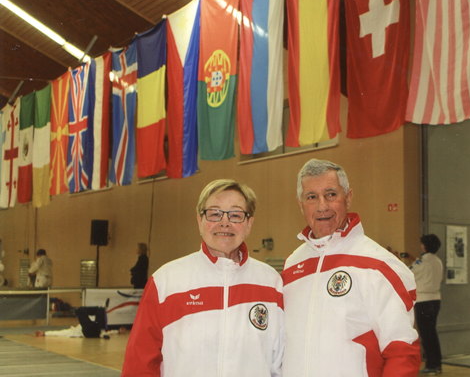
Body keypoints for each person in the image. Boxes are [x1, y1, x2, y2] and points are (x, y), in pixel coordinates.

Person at [122, 179, 284, 376]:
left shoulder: (271, 282)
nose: (224, 222)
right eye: (214, 213)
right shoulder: (166, 281)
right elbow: (139, 364)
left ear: (249, 223)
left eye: (235, 215)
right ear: (200, 221)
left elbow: (280, 363)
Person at [281, 159, 420, 377]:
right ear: (301, 205)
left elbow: (402, 352)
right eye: (311, 197)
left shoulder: (380, 265)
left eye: (331, 194)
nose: (322, 206)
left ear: (349, 197)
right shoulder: (292, 265)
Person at [411, 234, 443, 374]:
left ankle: (432, 365)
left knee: (426, 334)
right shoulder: (437, 261)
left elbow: (410, 273)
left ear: (425, 245)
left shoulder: (422, 261)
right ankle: (437, 364)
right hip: (436, 300)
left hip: (423, 301)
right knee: (432, 333)